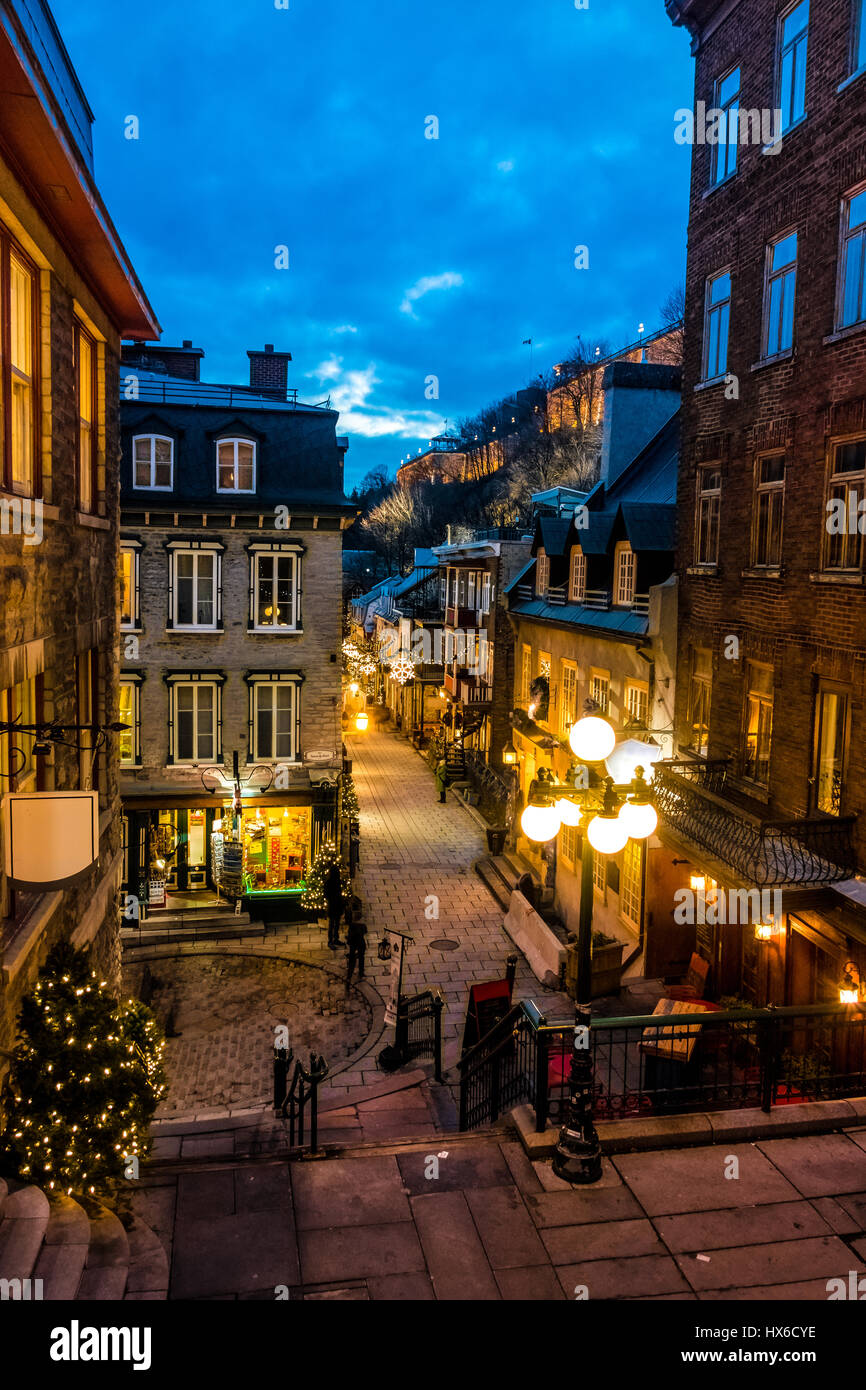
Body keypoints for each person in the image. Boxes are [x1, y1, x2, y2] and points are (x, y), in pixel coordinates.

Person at [323, 861, 344, 950]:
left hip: (334, 905)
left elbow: (326, 894)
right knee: (334, 924)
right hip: (335, 904)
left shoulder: (330, 881)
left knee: (333, 924)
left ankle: (334, 939)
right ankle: (331, 940)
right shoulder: (333, 881)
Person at [345, 905, 367, 985]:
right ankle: (361, 973)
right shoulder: (362, 925)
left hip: (353, 943)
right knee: (361, 957)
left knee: (352, 959)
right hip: (360, 943)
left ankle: (349, 975)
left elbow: (349, 934)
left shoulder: (351, 925)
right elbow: (365, 932)